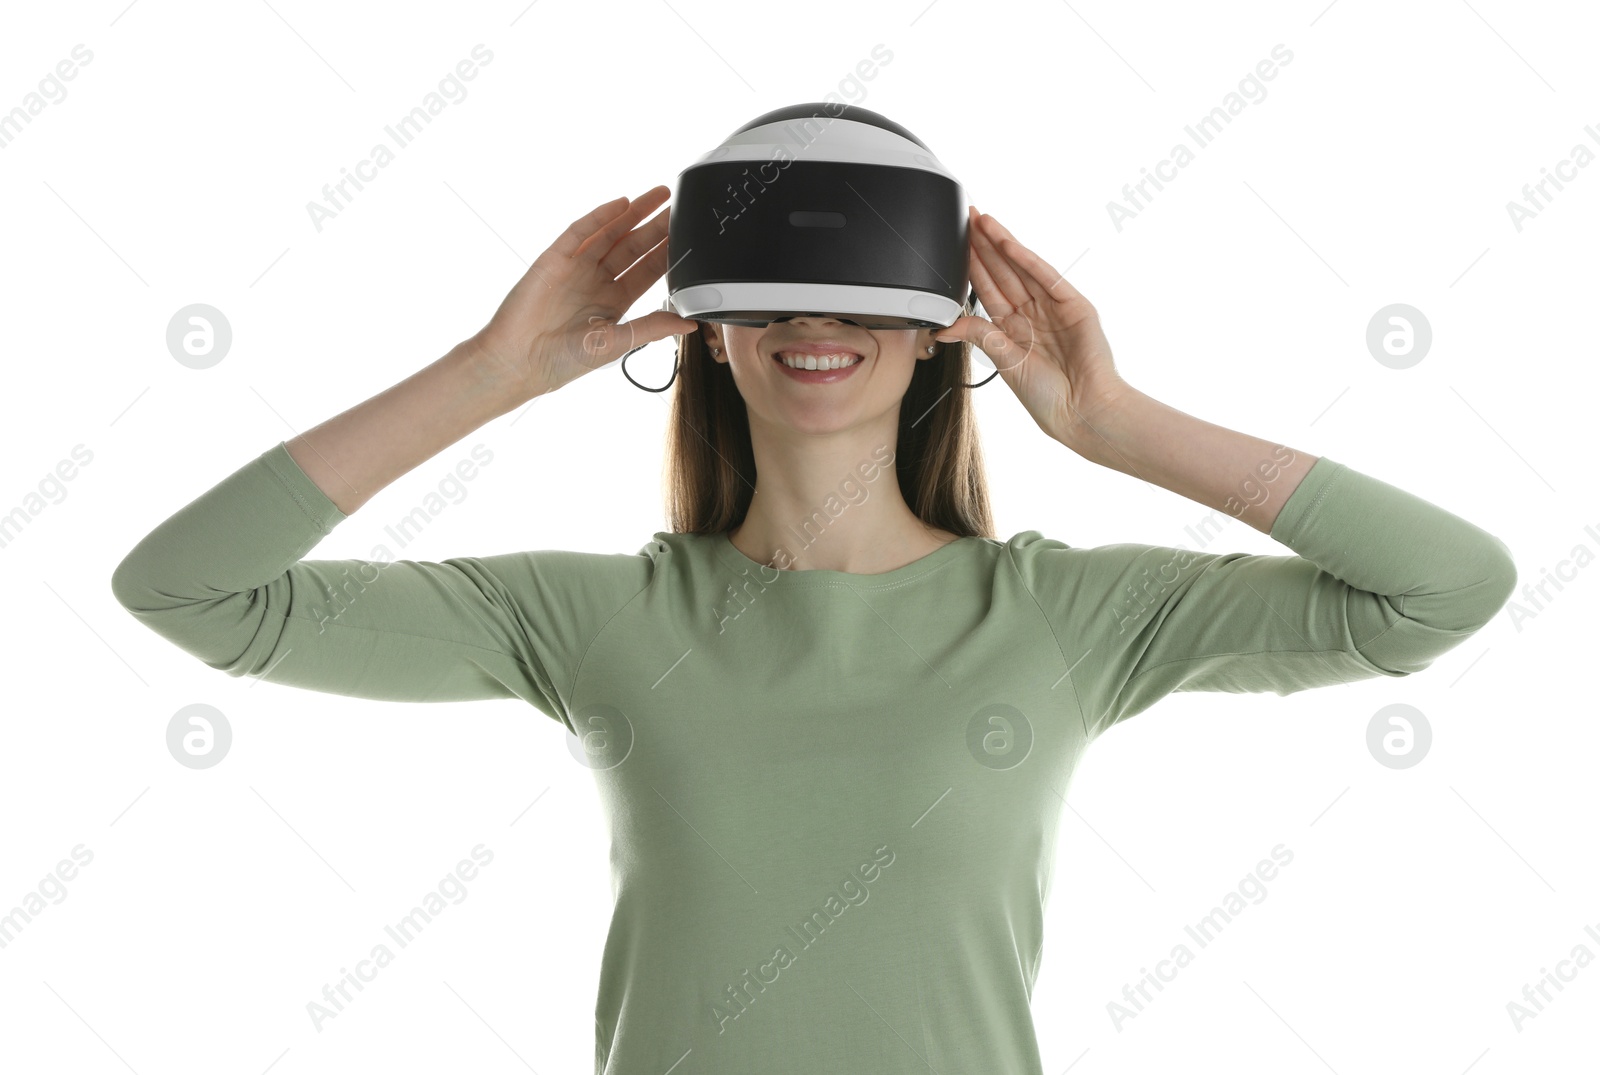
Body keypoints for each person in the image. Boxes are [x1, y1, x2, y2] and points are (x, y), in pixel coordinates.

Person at [111, 184, 1517, 1073]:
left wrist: (1113, 424)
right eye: (771, 291)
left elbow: (1445, 588)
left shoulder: (1064, 615)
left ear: (932, 334)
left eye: (859, 291)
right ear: (710, 333)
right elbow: (188, 590)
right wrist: (490, 376)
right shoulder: (598, 618)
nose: (813, 318)